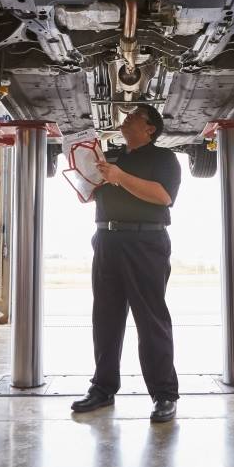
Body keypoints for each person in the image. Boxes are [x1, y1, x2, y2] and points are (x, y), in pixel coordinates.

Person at [71, 104, 182, 423]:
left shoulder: (164, 158)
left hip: (145, 242)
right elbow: (91, 192)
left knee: (151, 319)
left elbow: (163, 196)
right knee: (105, 318)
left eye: (135, 116)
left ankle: (164, 394)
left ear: (150, 129)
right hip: (106, 240)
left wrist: (119, 177)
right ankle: (102, 388)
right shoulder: (112, 157)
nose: (127, 117)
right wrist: (86, 179)